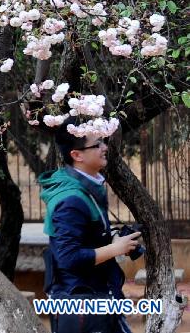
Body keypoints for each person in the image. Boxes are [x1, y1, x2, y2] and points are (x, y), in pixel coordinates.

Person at [39, 123, 142, 333]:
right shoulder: (70, 200)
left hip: (96, 298)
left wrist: (111, 241)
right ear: (77, 155)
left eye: (103, 141)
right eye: (97, 144)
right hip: (81, 305)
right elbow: (68, 257)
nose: (104, 147)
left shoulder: (86, 187)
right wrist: (115, 249)